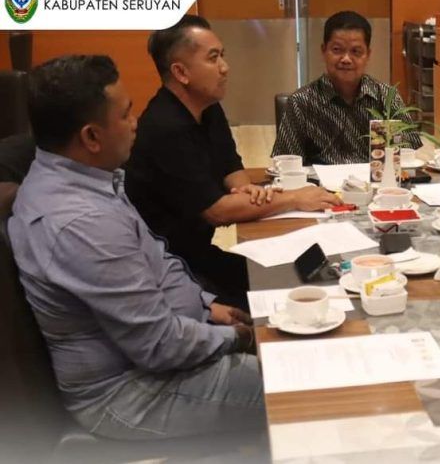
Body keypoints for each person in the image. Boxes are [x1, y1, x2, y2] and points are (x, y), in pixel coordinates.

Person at [9, 55, 264, 440]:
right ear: (91, 137)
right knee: (300, 383)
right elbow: (160, 346)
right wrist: (240, 338)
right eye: (126, 114)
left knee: (287, 346)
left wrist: (206, 307)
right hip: (131, 391)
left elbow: (156, 258)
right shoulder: (82, 223)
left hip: (157, 353)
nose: (135, 124)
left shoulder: (87, 177)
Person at [125, 15, 340, 310]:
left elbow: (230, 165)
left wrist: (247, 190)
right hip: (170, 270)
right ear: (181, 72)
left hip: (199, 254)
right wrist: (294, 198)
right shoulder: (165, 128)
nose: (225, 67)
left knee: (297, 278)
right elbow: (217, 211)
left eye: (222, 55)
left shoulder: (207, 107)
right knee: (278, 302)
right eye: (213, 58)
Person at [270, 10, 422, 164]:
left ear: (368, 55)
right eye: (337, 50)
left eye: (356, 51)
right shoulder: (301, 102)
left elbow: (408, 152)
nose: (346, 59)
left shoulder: (386, 96)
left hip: (374, 178)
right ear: (323, 51)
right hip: (319, 180)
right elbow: (285, 163)